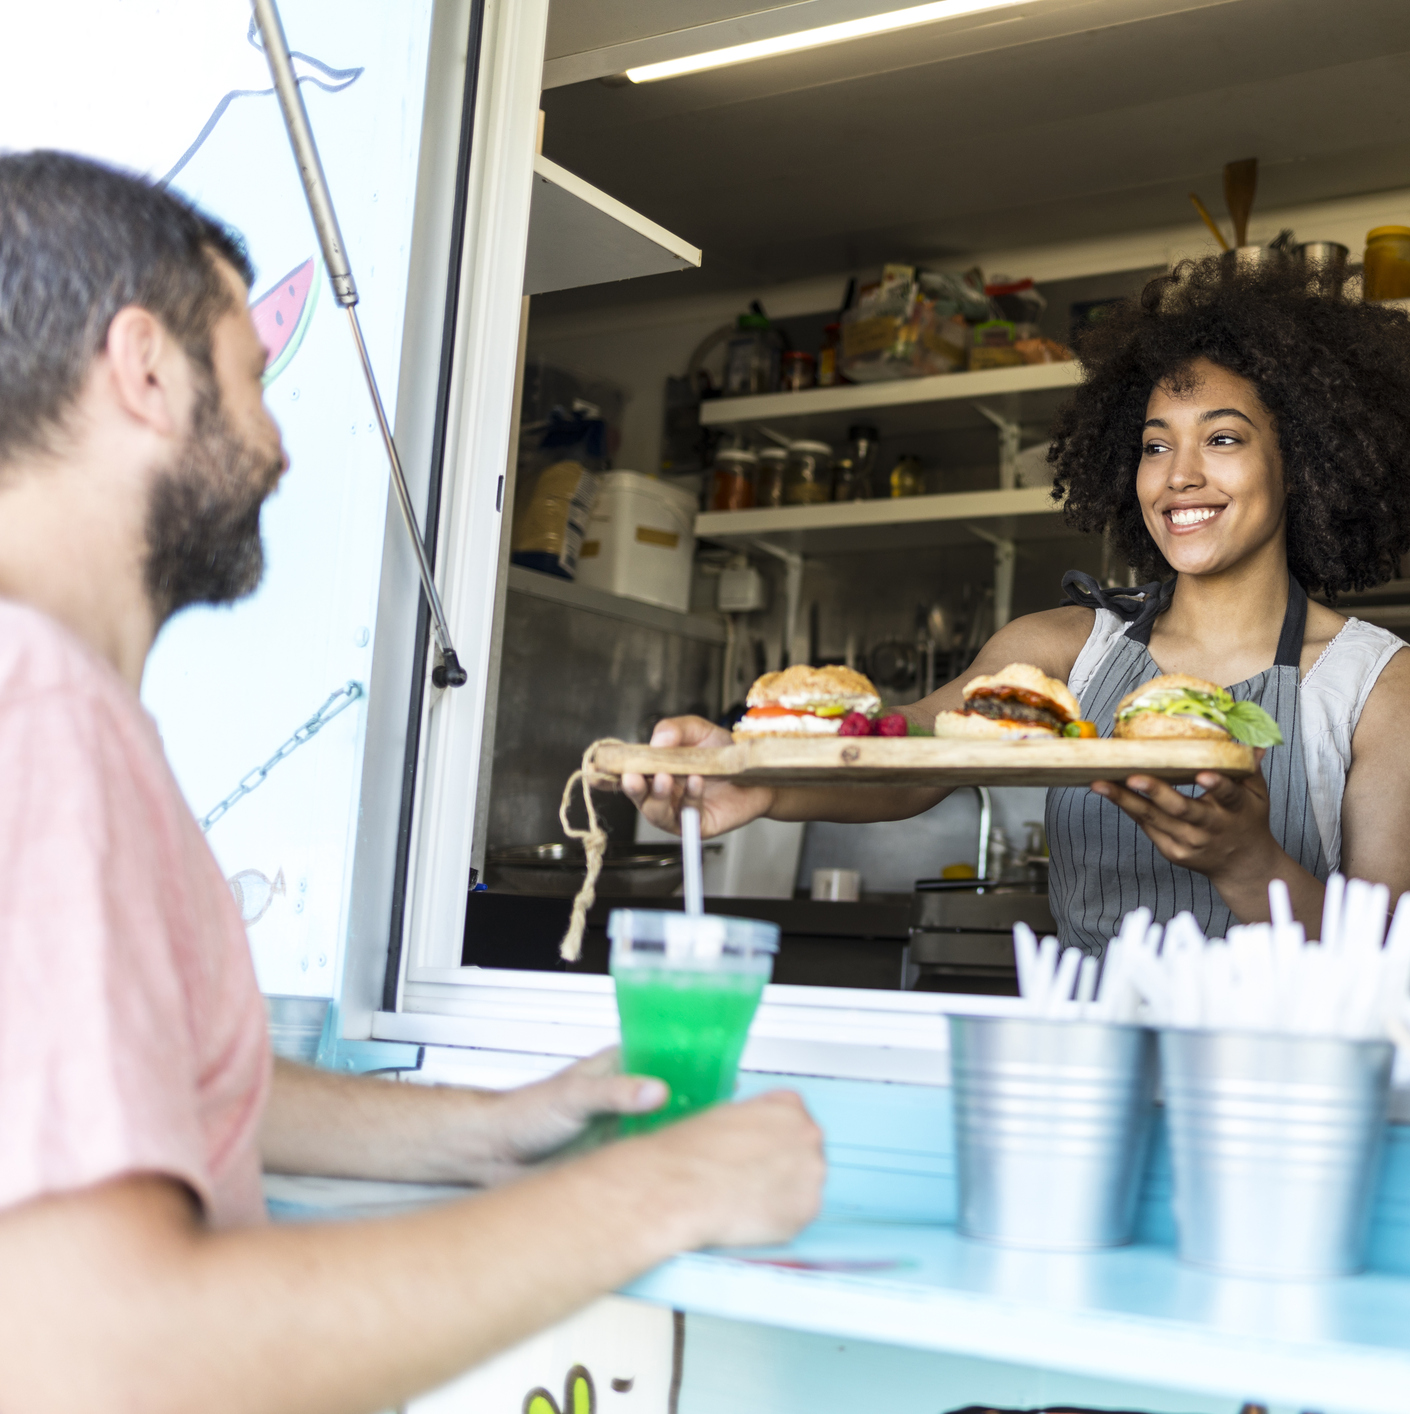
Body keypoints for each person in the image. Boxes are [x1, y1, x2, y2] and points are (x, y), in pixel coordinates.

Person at [0, 150, 825, 1414]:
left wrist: (497, 1124)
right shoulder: (41, 712)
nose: (276, 445)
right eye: (252, 379)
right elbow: (110, 1357)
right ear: (148, 371)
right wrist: (663, 1188)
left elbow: (161, 1089)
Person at [629, 256, 1410, 951]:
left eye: (1223, 438)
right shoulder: (1063, 649)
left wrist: (1249, 864)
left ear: (1303, 462)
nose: (1179, 476)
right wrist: (754, 776)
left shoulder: (1379, 686)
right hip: (1085, 1066)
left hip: (1281, 1087)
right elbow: (909, 758)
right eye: (1154, 444)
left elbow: (1393, 964)